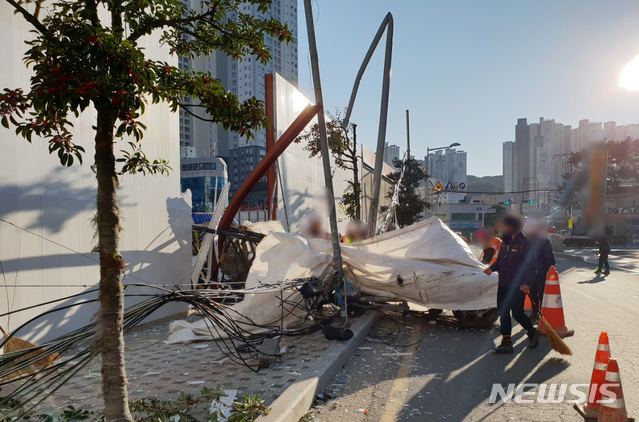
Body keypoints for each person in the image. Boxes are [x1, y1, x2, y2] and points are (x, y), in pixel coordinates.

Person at [484, 213, 540, 354]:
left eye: (505, 226)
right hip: (504, 283)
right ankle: (507, 342)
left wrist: (527, 283)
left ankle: (532, 331)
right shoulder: (505, 242)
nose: (503, 229)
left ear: (513, 227)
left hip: (518, 285)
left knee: (517, 313)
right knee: (503, 312)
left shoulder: (524, 243)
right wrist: (492, 268)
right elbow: (501, 260)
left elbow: (531, 266)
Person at [524, 218, 555, 323]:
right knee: (532, 294)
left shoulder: (543, 242)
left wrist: (550, 273)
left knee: (542, 295)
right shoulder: (525, 242)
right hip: (530, 275)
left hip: (542, 274)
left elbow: (550, 259)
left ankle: (543, 314)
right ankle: (534, 313)